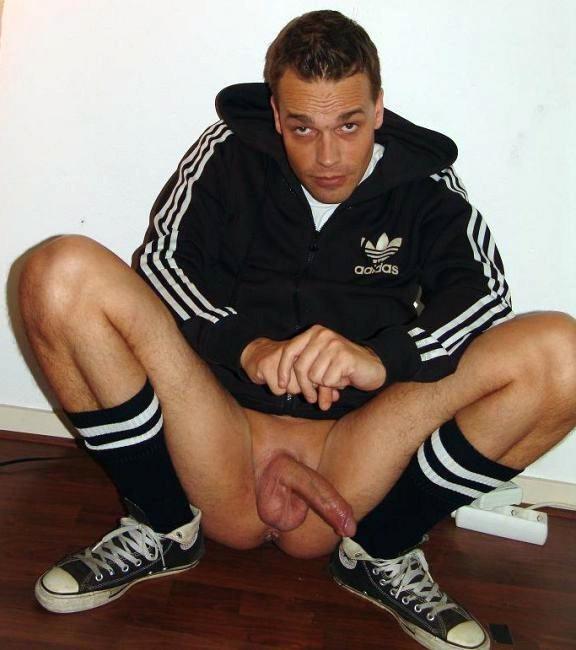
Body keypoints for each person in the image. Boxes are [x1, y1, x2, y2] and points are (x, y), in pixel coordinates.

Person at [17, 9, 575, 650]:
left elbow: (485, 299)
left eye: (349, 125)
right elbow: (165, 262)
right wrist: (245, 347)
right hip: (218, 434)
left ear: (379, 110)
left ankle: (382, 549)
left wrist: (382, 358)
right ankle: (161, 522)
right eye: (303, 128)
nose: (327, 157)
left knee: (562, 356)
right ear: (277, 116)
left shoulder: (426, 183)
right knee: (56, 272)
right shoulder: (229, 151)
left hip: (353, 454)